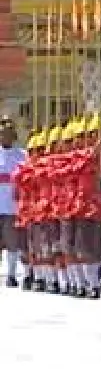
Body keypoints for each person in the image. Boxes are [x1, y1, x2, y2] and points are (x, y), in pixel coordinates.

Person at [0, 117, 26, 287]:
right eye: (3, 134)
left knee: (12, 243)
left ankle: (11, 274)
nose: (6, 136)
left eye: (9, 133)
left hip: (11, 205)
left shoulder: (22, 155)